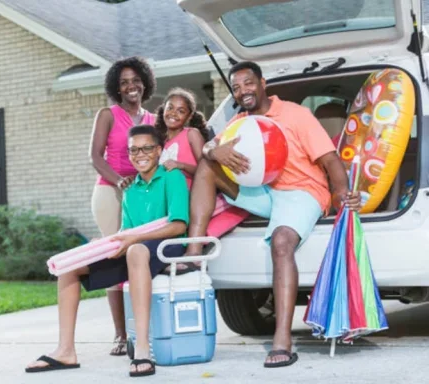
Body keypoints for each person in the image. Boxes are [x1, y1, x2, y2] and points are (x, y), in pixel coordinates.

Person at [184, 61, 362, 368]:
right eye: (236, 87)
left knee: (282, 242)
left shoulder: (296, 114)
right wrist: (213, 151)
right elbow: (209, 146)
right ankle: (193, 252)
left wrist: (341, 195)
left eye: (248, 83)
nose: (243, 91)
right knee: (207, 167)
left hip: (303, 191)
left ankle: (282, 340)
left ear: (262, 83)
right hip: (264, 192)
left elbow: (331, 161)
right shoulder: (240, 121)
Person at [27, 125, 189, 377]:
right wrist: (103, 246)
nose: (140, 154)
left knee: (136, 250)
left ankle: (143, 349)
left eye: (147, 148)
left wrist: (134, 238)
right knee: (70, 267)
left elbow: (179, 225)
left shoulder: (172, 177)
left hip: (167, 247)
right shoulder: (130, 190)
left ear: (159, 150)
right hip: (135, 249)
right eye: (133, 150)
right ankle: (65, 351)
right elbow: (126, 232)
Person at [88, 56, 157, 356]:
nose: (131, 86)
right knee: (115, 257)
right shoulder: (108, 115)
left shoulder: (154, 119)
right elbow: (95, 156)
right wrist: (118, 181)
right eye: (124, 82)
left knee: (141, 256)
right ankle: (120, 334)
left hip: (143, 195)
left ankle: (144, 329)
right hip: (111, 192)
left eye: (136, 80)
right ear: (117, 88)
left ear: (145, 83)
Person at [154, 88, 208, 274]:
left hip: (191, 198)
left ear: (189, 116)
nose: (173, 113)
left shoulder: (191, 134)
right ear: (163, 109)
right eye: (170, 108)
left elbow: (207, 171)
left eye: (180, 110)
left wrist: (181, 165)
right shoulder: (160, 143)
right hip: (168, 203)